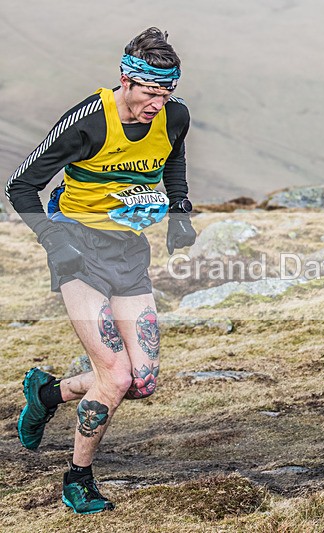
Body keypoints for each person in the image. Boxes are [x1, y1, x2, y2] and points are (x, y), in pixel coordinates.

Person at [6, 27, 196, 514]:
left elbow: (174, 157)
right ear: (126, 80)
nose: (158, 104)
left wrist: (179, 210)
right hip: (77, 249)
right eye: (150, 92)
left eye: (167, 92)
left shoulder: (174, 116)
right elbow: (20, 186)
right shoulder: (88, 121)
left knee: (142, 380)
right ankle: (78, 480)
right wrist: (54, 241)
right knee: (114, 374)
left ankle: (46, 393)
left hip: (129, 251)